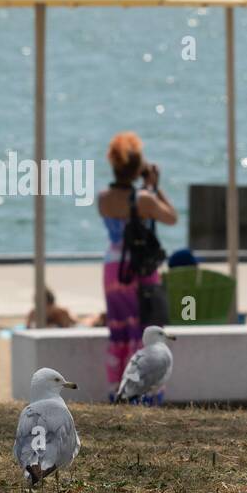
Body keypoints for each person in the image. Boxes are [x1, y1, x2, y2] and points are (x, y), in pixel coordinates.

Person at [97, 132, 177, 400]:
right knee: (143, 332)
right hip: (139, 270)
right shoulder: (144, 199)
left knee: (119, 331)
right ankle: (144, 394)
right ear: (137, 168)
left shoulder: (103, 198)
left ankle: (116, 391)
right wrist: (154, 186)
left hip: (112, 269)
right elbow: (172, 218)